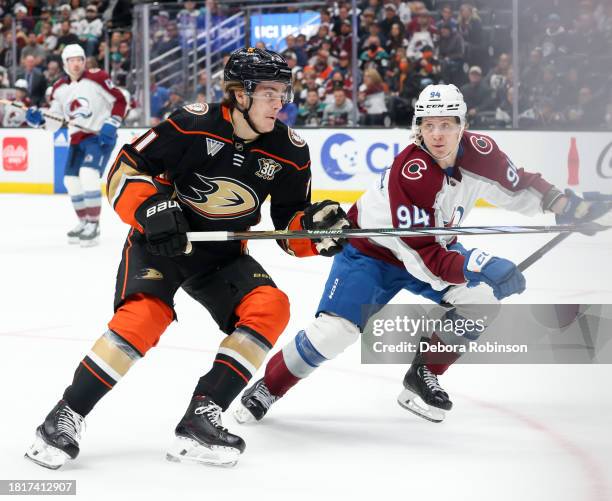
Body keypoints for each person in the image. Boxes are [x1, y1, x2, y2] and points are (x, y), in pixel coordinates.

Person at [24, 47, 349, 470]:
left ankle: (202, 416)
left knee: (271, 306)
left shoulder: (291, 151)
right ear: (240, 94)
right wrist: (149, 209)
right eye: (269, 93)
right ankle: (65, 415)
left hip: (223, 254)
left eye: (282, 92)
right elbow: (124, 169)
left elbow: (288, 227)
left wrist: (315, 233)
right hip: (162, 243)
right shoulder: (191, 123)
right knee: (143, 318)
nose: (280, 103)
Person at [235, 84, 610, 425]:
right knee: (335, 333)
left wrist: (567, 207)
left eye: (447, 124)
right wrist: (481, 264)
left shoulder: (481, 152)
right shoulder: (411, 172)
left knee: (480, 301)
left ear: (462, 124)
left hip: (431, 248)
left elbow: (520, 187)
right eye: (429, 125)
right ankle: (268, 386)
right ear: (418, 127)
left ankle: (422, 374)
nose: (437, 134)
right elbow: (429, 260)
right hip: (372, 255)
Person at [24, 44, 127, 247]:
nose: (77, 63)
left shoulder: (97, 78)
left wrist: (112, 123)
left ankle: (94, 225)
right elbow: (54, 121)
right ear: (65, 63)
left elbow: (120, 100)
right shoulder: (59, 89)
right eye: (72, 60)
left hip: (99, 136)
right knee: (71, 180)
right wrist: (39, 120)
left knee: (88, 174)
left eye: (80, 59)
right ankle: (83, 221)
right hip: (76, 138)